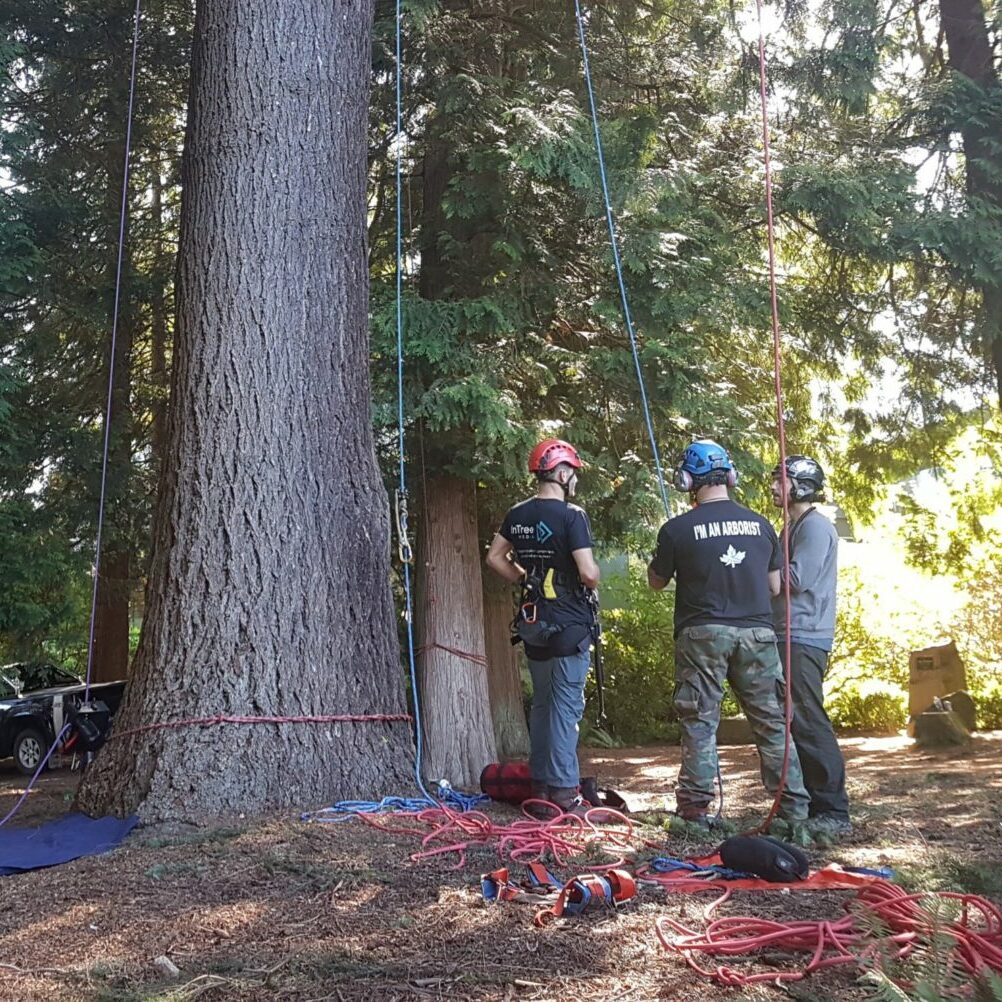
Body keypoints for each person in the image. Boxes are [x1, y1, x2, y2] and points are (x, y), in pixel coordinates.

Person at [648, 439, 810, 828]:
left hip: (702, 634)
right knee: (773, 723)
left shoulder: (677, 529)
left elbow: (656, 581)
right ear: (730, 476)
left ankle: (695, 811)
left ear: (687, 480)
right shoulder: (762, 525)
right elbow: (774, 586)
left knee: (700, 722)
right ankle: (793, 813)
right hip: (757, 634)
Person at [485, 438, 600, 816]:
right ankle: (565, 795)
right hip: (569, 622)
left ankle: (539, 789)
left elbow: (495, 558)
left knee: (543, 706)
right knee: (565, 709)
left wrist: (524, 578)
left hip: (534, 621)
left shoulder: (517, 514)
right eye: (574, 474)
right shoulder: (572, 516)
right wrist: (593, 577)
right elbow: (588, 573)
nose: (575, 481)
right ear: (562, 473)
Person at [771, 455, 851, 837]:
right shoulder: (794, 525)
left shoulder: (815, 527)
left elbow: (797, 579)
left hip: (804, 634)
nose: (773, 487)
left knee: (808, 718)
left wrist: (754, 568)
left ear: (800, 485)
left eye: (780, 481)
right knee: (794, 720)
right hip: (789, 632)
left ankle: (833, 808)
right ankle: (810, 802)